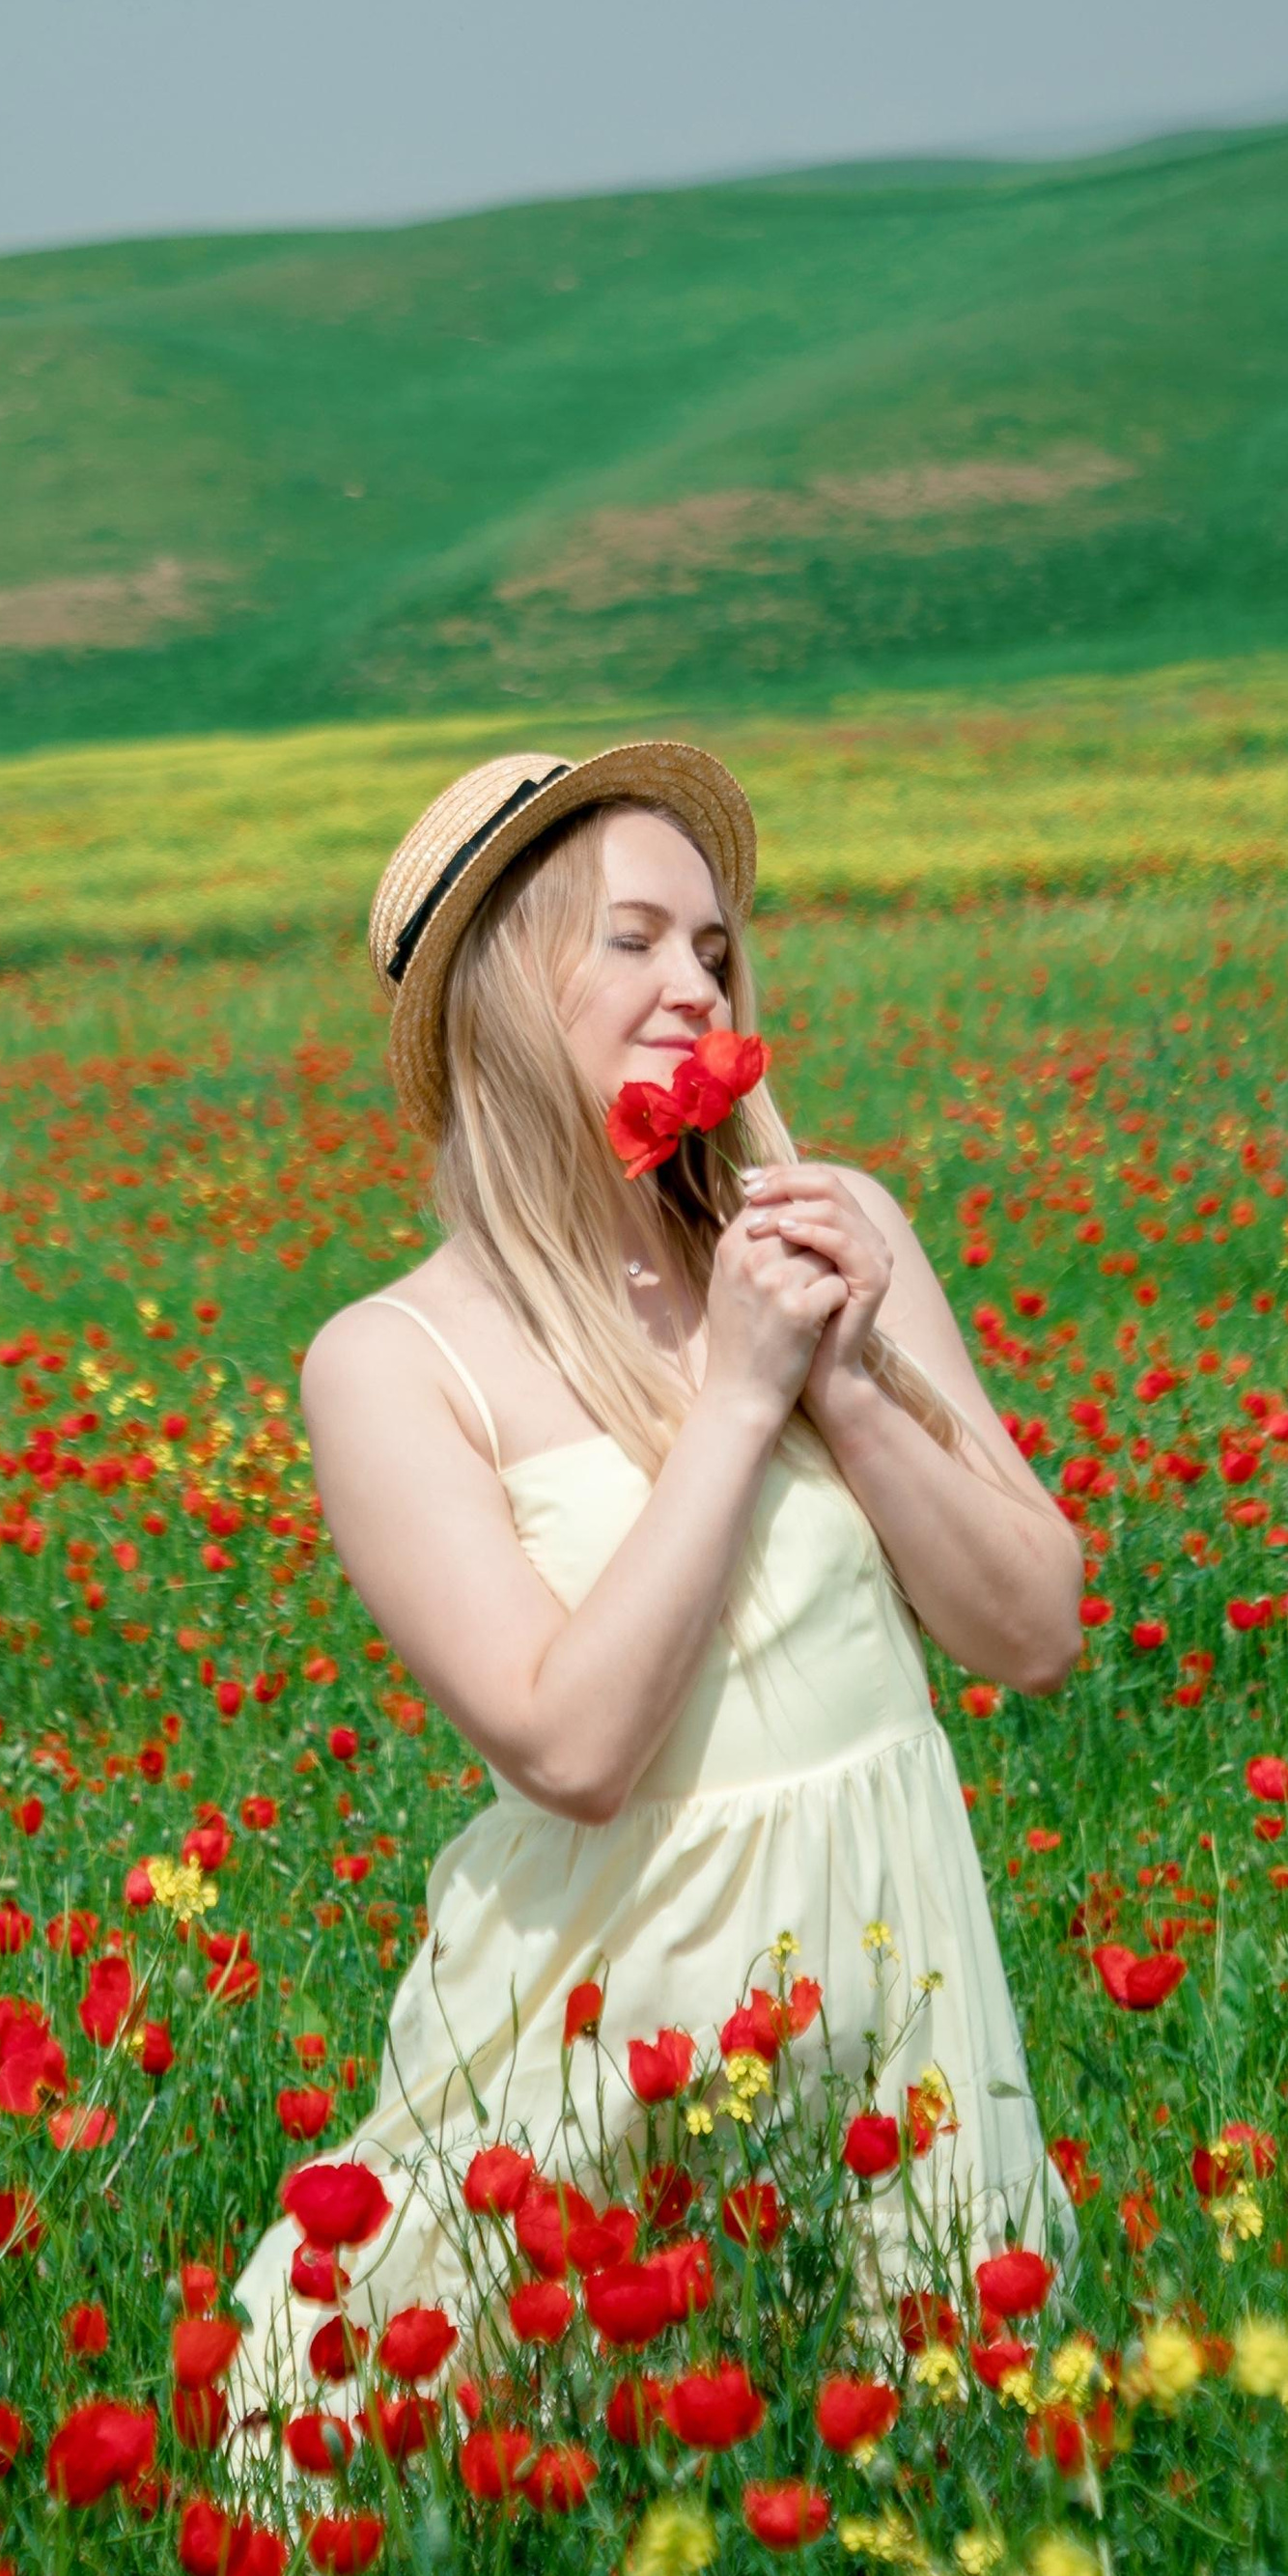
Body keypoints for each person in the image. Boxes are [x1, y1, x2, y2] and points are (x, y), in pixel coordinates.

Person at [226, 741, 1082, 2417]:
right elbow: (572, 1747)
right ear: (502, 992)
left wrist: (842, 1374)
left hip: (892, 2003)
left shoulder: (841, 1236)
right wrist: (744, 1394)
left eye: (713, 946)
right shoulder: (392, 1363)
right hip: (605, 2039)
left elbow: (1035, 1629)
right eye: (633, 938)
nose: (694, 980)